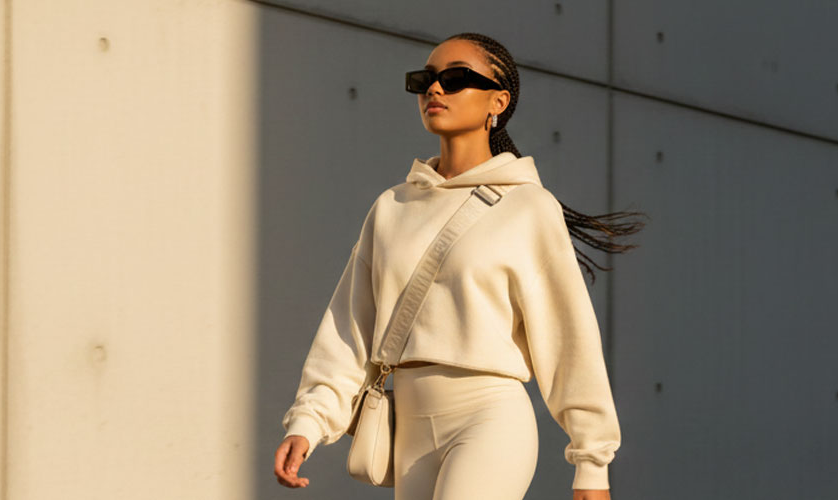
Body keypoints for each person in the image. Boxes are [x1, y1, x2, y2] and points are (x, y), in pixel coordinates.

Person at [271, 32, 646, 500]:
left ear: (499, 100)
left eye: (455, 79)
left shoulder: (529, 207)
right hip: (406, 427)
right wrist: (308, 420)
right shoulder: (392, 206)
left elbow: (569, 337)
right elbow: (350, 328)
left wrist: (592, 462)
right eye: (425, 80)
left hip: (489, 417)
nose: (435, 90)